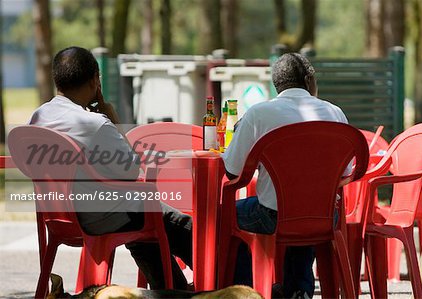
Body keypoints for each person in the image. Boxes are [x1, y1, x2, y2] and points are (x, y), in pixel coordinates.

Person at [28, 46, 192, 290]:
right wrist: (112, 118)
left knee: (143, 215)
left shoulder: (38, 117)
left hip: (57, 216)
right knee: (170, 220)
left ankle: (175, 291)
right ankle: (222, 278)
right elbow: (131, 171)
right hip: (96, 217)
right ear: (96, 79)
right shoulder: (93, 123)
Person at [222, 52, 349, 299]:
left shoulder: (259, 114)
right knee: (305, 208)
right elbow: (346, 172)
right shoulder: (335, 113)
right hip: (324, 216)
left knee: (223, 214)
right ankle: (297, 290)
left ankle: (245, 292)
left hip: (271, 216)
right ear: (309, 79)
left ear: (276, 84)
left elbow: (232, 171)